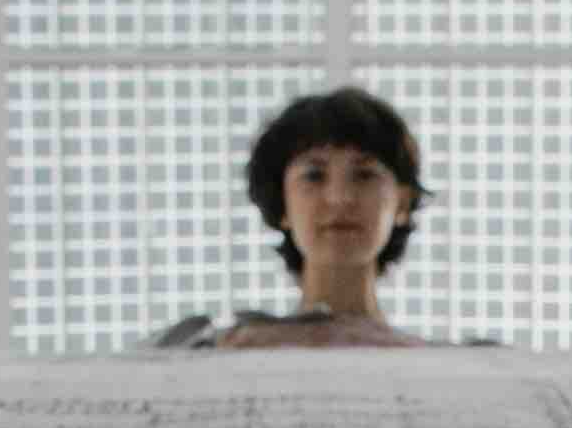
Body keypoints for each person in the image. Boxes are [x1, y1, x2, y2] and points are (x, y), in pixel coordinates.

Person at [170, 88, 427, 348]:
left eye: (364, 175)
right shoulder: (220, 347)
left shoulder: (436, 360)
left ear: (402, 202)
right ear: (282, 203)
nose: (339, 198)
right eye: (314, 176)